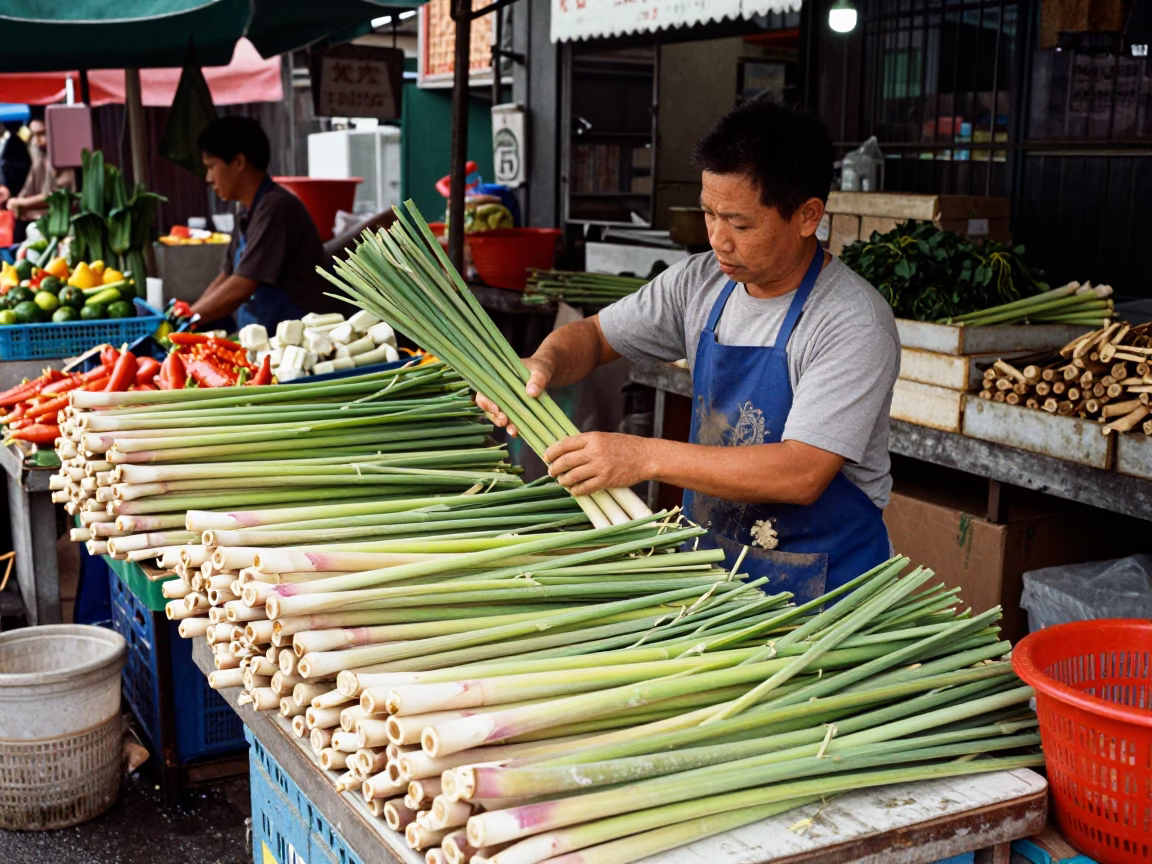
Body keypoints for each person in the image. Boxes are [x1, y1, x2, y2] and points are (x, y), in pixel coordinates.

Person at [477, 100, 900, 603]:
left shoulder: (851, 320)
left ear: (808, 215)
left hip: (825, 589)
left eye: (740, 224)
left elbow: (801, 472)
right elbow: (591, 336)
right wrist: (542, 363)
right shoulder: (699, 283)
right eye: (708, 214)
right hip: (713, 567)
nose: (718, 239)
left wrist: (642, 456)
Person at [193, 116, 339, 330]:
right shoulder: (247, 210)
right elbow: (228, 276)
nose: (208, 178)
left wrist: (189, 320)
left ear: (239, 163)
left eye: (211, 166)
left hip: (300, 340)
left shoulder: (276, 207)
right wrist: (186, 316)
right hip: (263, 337)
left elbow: (242, 285)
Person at [4, 112, 75, 225]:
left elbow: (61, 195)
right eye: (33, 135)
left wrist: (24, 202)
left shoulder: (66, 158)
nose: (37, 141)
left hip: (63, 223)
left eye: (42, 134)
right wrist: (15, 201)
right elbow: (27, 190)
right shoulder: (40, 159)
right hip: (40, 223)